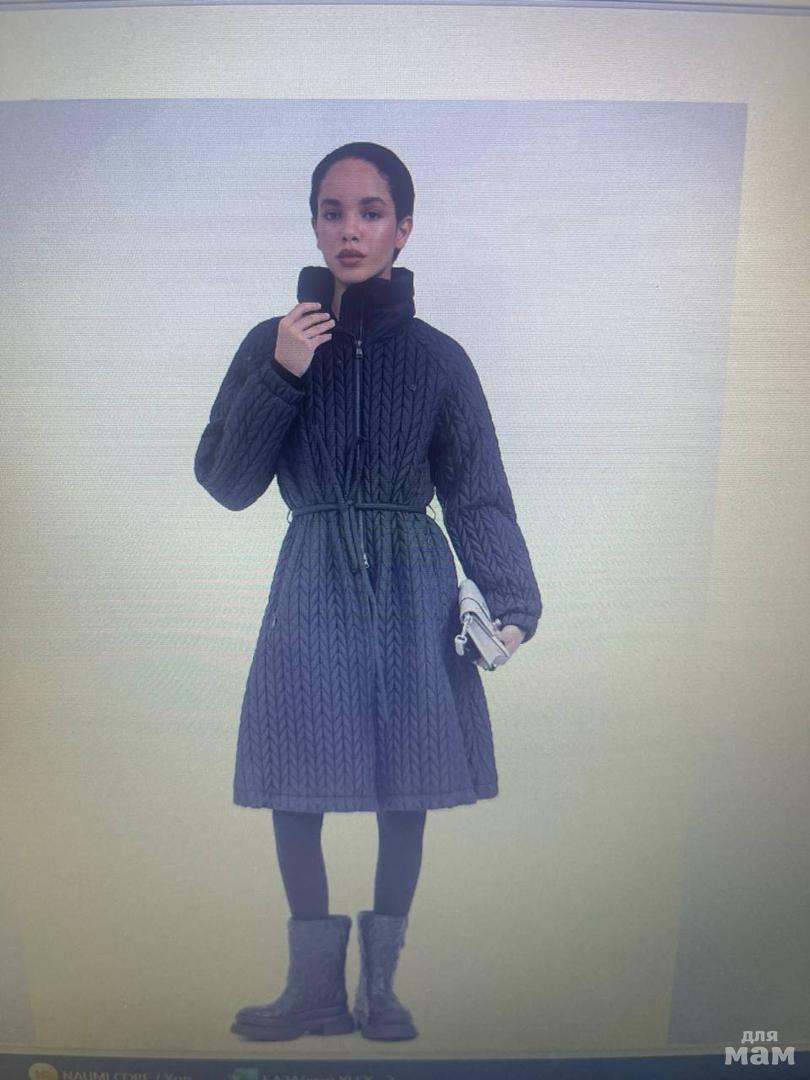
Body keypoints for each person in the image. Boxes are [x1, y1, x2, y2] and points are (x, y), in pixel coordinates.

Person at [193, 142, 542, 1043]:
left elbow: (475, 491)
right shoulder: (271, 342)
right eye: (333, 210)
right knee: (294, 788)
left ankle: (379, 990)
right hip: (310, 576)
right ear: (314, 223)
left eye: (371, 211)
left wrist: (511, 601)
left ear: (403, 228)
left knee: (405, 789)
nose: (351, 230)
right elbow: (227, 483)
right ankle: (312, 991)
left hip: (411, 586)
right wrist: (282, 371)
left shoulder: (438, 359)